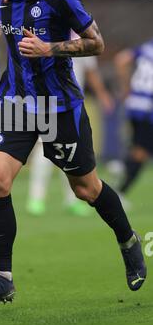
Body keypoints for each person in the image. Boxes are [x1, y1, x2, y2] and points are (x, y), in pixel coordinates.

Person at [0, 0, 146, 306]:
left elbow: (96, 43)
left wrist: (49, 47)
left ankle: (128, 240)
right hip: (16, 102)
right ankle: (3, 278)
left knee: (86, 189)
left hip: (60, 108)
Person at [26, 45, 115, 217]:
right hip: (48, 101)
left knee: (71, 151)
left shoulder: (79, 37)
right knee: (44, 147)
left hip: (72, 104)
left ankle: (71, 200)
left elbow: (90, 70)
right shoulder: (48, 32)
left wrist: (102, 94)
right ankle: (36, 198)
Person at [114, 38, 153, 199]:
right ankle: (120, 191)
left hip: (135, 103)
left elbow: (121, 59)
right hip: (148, 108)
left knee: (139, 147)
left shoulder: (147, 47)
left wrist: (127, 88)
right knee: (142, 152)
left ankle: (122, 165)